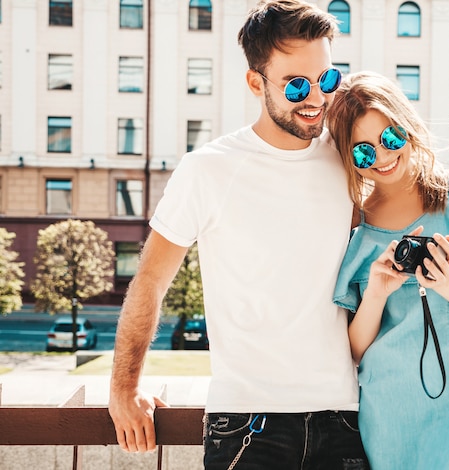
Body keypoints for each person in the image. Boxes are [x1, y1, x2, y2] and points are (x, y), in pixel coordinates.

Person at [108, 1, 369, 469]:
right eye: (296, 83)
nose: (316, 96)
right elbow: (149, 280)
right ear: (255, 83)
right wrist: (124, 390)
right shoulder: (207, 169)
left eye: (327, 79)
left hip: (343, 416)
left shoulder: (348, 160)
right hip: (247, 422)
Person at [325, 71, 449, 469]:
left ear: (407, 124)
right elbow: (354, 349)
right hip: (389, 416)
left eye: (391, 138)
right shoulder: (353, 221)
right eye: (363, 152)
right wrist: (378, 292)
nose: (382, 157)